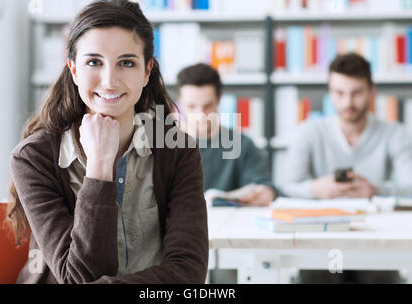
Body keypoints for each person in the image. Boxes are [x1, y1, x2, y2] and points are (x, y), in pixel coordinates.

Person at [6, 0, 208, 284]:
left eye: (126, 62)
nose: (110, 80)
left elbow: (188, 271)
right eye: (93, 62)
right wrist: (99, 168)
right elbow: (77, 278)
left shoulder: (178, 151)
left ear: (146, 71)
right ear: (74, 70)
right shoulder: (32, 158)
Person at [282, 52, 412, 283]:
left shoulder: (394, 134)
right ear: (330, 92)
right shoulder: (309, 132)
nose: (348, 103)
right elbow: (284, 186)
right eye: (339, 93)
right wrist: (316, 189)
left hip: (376, 242)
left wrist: (376, 190)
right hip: (321, 241)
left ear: (372, 91)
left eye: (357, 93)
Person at [177, 63, 276, 207]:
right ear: (180, 103)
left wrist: (266, 192)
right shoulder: (163, 147)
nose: (200, 115)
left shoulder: (243, 144)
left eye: (207, 106)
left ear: (219, 100)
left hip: (231, 225)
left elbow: (263, 184)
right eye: (191, 107)